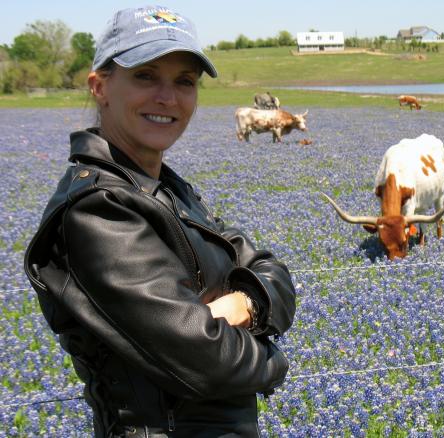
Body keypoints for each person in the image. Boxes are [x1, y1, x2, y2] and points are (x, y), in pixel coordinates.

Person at [24, 5, 296, 437]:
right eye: (146, 76)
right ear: (100, 86)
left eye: (184, 82)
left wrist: (244, 303)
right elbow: (209, 364)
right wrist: (274, 358)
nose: (167, 98)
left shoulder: (166, 189)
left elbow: (270, 270)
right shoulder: (97, 209)